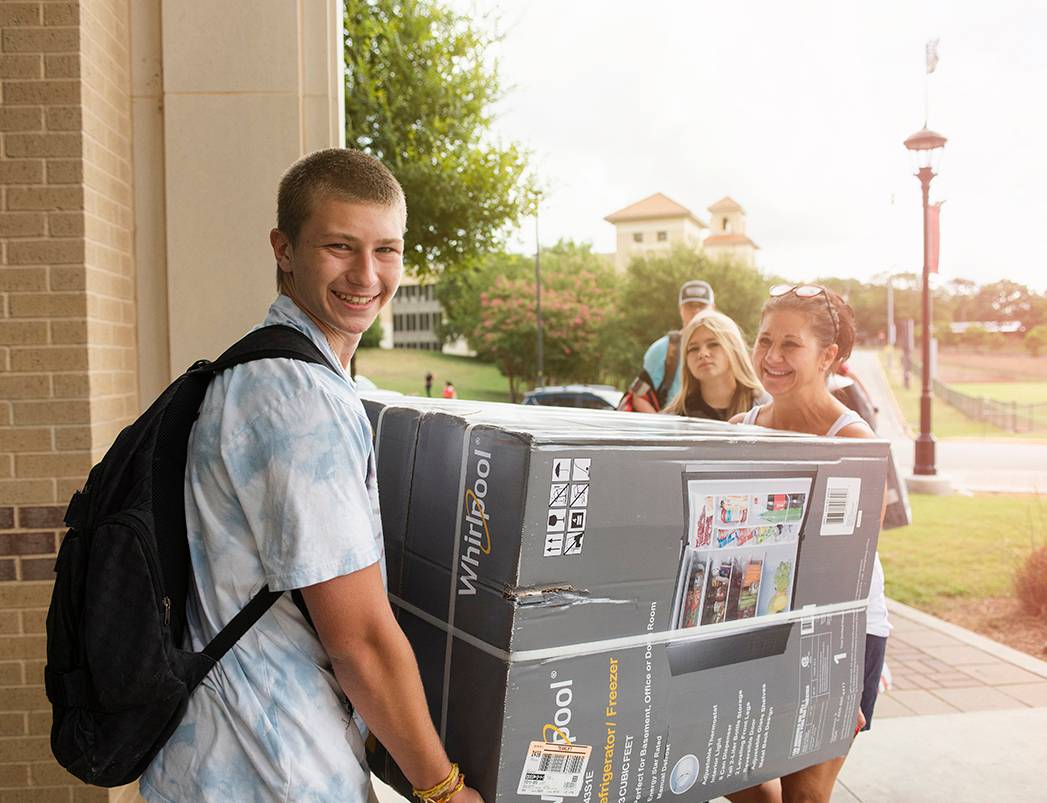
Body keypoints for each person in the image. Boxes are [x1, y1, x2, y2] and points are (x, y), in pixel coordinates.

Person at [141, 149, 481, 803]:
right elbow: (359, 641)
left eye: (386, 249)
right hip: (270, 763)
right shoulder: (297, 398)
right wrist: (442, 788)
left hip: (229, 752)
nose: (366, 274)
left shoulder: (270, 369)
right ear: (285, 248)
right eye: (339, 246)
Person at [728, 284, 889, 803]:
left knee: (806, 796)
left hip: (840, 629)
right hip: (759, 624)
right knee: (726, 770)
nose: (771, 357)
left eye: (791, 345)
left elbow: (851, 568)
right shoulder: (740, 430)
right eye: (764, 340)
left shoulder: (854, 444)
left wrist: (842, 678)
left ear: (829, 356)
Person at [626, 279, 715, 413]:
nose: (696, 311)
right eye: (689, 305)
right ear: (680, 309)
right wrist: (661, 427)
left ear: (713, 308)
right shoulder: (662, 348)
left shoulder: (728, 347)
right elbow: (638, 395)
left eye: (702, 305)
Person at [661, 309, 767, 420]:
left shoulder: (765, 407)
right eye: (694, 348)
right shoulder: (674, 417)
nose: (702, 354)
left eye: (713, 344)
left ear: (734, 349)